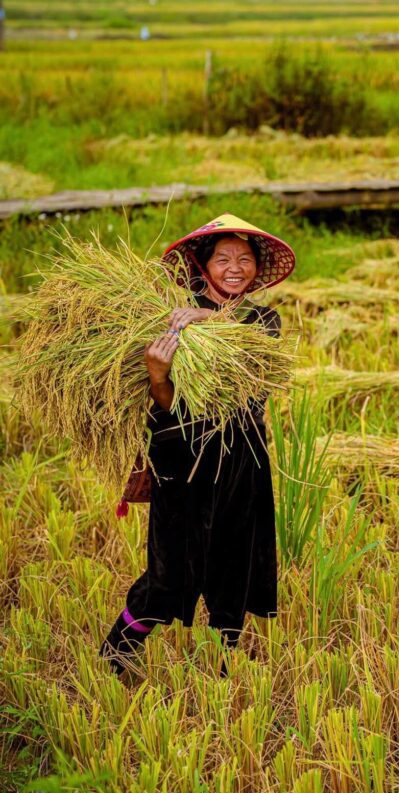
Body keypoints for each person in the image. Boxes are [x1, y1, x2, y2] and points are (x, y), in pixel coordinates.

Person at [98, 213, 295, 678]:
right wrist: (157, 374)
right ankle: (115, 656)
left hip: (243, 458)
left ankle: (224, 670)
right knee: (169, 573)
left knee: (236, 564)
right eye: (222, 257)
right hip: (185, 461)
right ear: (203, 265)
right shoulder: (168, 315)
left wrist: (206, 319)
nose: (235, 267)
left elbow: (252, 361)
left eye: (244, 259)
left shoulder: (264, 320)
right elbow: (168, 406)